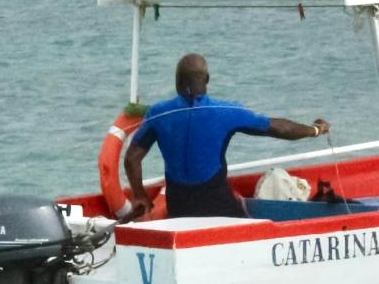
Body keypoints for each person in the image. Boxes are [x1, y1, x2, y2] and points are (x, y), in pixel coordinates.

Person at [123, 53, 329, 219]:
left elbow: (132, 159)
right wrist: (314, 130)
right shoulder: (226, 111)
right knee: (252, 226)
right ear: (207, 80)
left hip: (179, 207)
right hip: (216, 204)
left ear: (177, 81)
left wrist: (141, 196)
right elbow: (279, 128)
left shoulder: (159, 113)